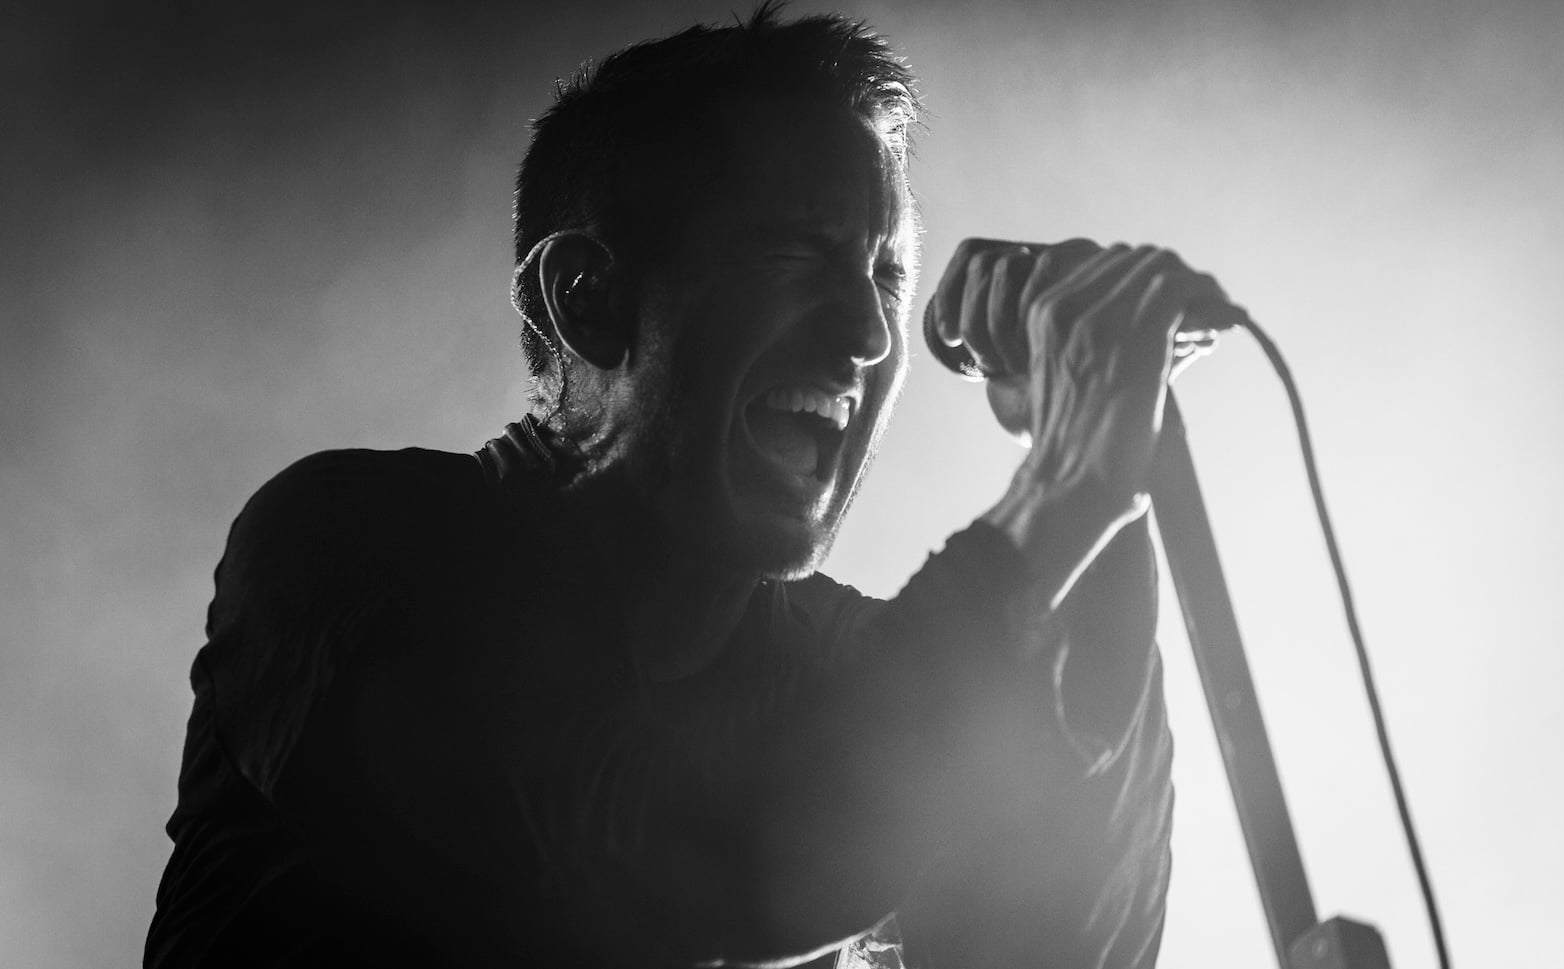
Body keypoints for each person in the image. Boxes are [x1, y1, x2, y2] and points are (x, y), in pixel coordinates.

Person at [147, 7, 1237, 968]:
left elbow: (1044, 949)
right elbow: (704, 863)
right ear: (590, 300)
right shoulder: (352, 548)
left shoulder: (840, 663)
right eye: (795, 257)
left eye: (886, 276)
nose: (864, 334)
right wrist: (1060, 491)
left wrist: (1107, 489)